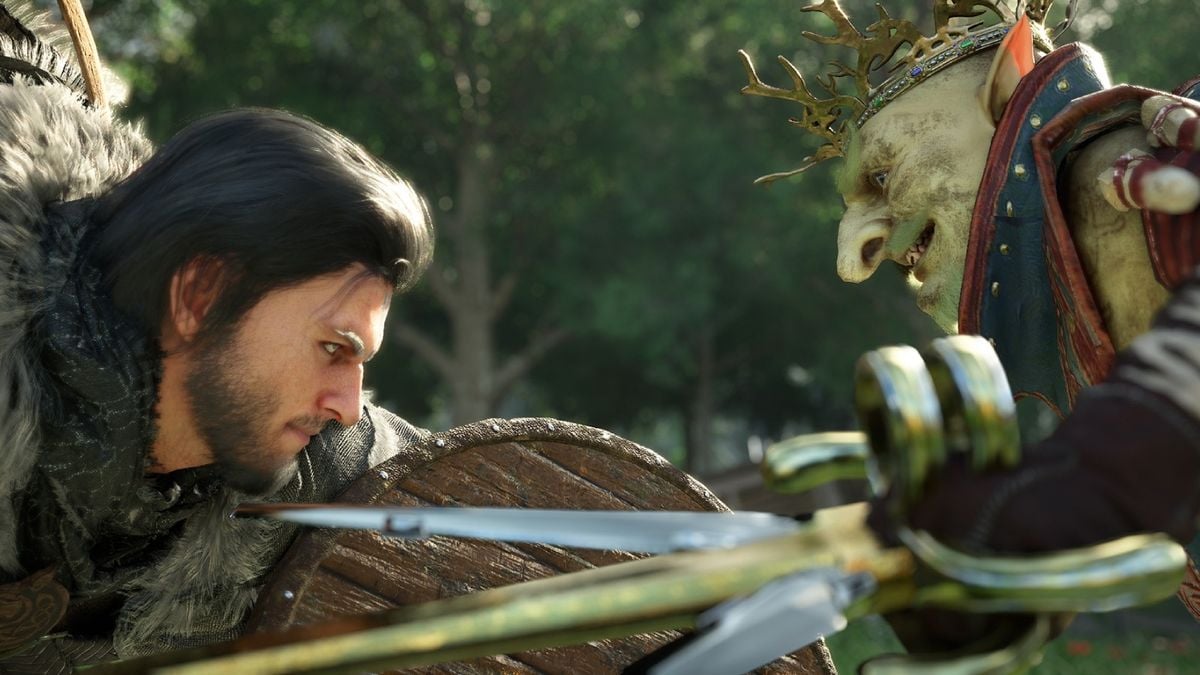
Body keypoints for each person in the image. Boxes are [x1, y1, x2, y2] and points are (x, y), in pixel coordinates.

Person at [0, 4, 433, 667]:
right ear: (200, 294)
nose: (348, 406)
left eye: (358, 361)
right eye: (332, 348)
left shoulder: (307, 456)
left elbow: (496, 510)